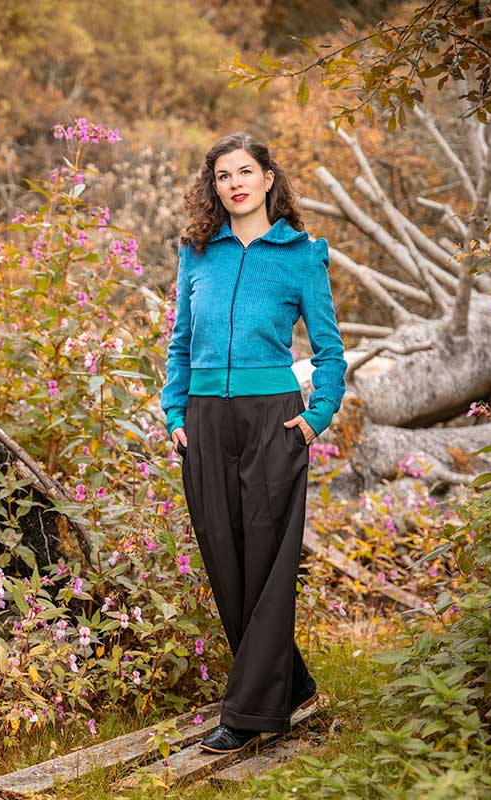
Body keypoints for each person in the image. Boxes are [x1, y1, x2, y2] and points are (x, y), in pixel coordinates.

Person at [160, 132, 346, 754]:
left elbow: (329, 350)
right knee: (226, 559)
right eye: (222, 176)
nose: (234, 183)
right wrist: (173, 410)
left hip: (275, 420)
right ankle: (287, 683)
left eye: (246, 171)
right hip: (205, 421)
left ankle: (247, 714)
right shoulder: (197, 254)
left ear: (269, 178)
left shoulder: (302, 254)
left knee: (268, 562)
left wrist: (318, 415)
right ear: (213, 188)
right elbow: (181, 343)